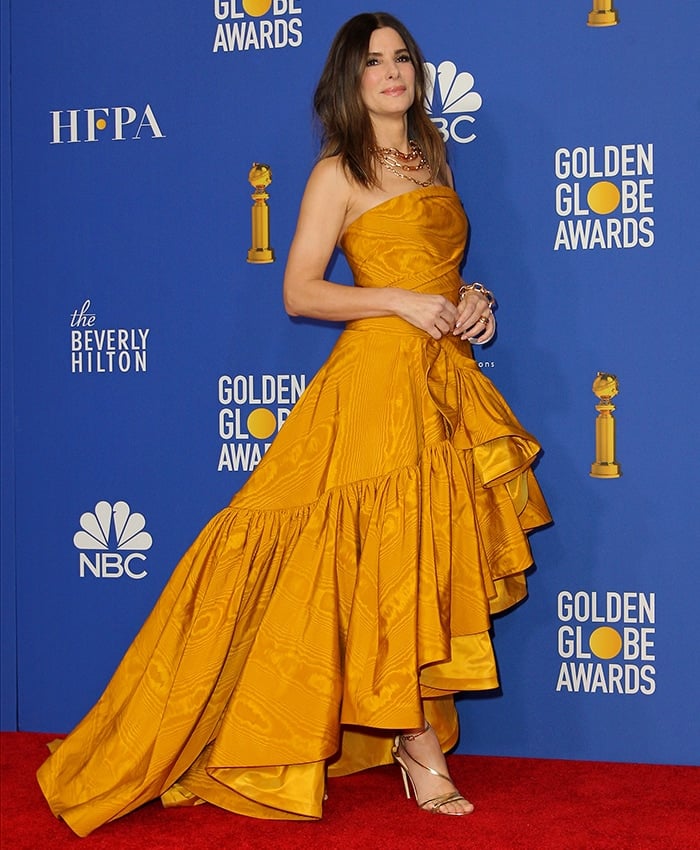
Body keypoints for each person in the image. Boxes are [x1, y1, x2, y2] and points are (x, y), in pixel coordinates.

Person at [37, 11, 551, 834]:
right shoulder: (335, 172)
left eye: (402, 59)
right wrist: (398, 300)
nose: (392, 72)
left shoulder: (432, 158)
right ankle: (420, 753)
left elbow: (434, 268)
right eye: (373, 61)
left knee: (419, 562)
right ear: (349, 79)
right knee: (385, 562)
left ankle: (411, 738)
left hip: (441, 382)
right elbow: (301, 291)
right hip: (375, 386)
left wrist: (473, 299)